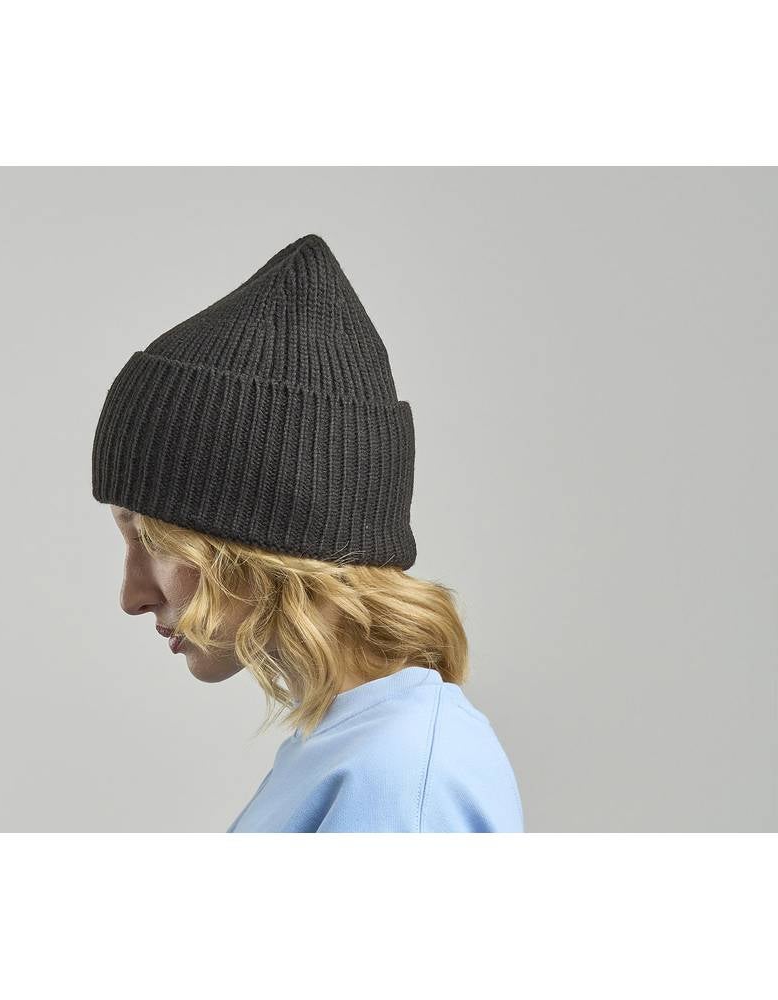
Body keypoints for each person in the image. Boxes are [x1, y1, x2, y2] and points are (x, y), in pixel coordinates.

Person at [92, 233, 524, 832]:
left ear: (267, 539)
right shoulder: (347, 747)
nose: (132, 596)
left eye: (156, 541)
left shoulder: (401, 778)